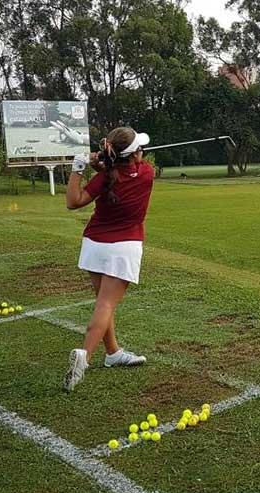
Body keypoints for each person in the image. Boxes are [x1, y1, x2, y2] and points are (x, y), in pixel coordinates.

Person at [63, 127, 155, 392]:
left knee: (104, 304)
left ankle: (113, 353)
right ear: (134, 155)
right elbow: (120, 171)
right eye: (139, 149)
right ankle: (84, 356)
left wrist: (79, 168)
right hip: (123, 247)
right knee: (105, 304)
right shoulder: (146, 173)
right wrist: (102, 164)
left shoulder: (105, 177)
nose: (142, 152)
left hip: (94, 245)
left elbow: (74, 201)